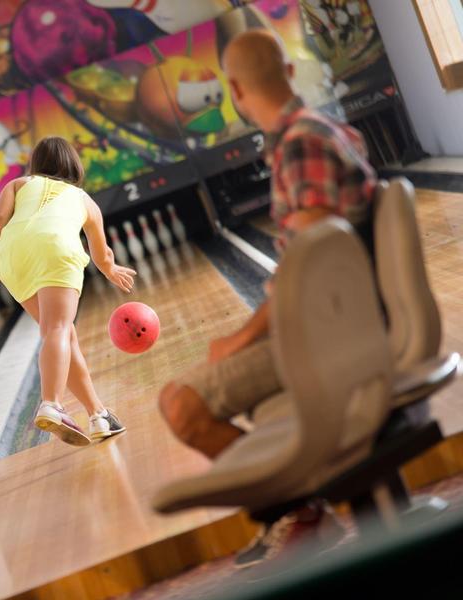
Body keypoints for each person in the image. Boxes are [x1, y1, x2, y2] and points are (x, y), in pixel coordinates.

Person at [158, 30, 376, 566]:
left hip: (335, 334)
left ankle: (297, 512)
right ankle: (296, 512)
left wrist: (241, 339)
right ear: (286, 67)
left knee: (181, 405)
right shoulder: (324, 130)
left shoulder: (301, 145)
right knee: (243, 395)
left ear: (233, 89)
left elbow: (312, 266)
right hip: (337, 320)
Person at [0, 137, 136, 445]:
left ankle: (98, 415)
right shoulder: (85, 200)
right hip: (55, 249)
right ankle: (51, 403)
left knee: (61, 334)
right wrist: (112, 270)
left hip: (10, 258)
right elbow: (102, 257)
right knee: (58, 329)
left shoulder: (18, 184)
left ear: (36, 164)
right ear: (73, 165)